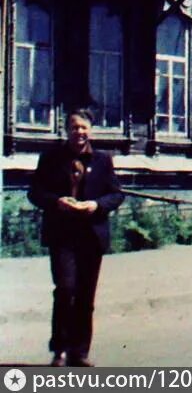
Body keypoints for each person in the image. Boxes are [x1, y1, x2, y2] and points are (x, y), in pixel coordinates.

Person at [29, 110, 124, 366]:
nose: (79, 132)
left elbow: (116, 194)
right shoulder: (51, 158)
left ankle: (79, 352)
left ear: (90, 130)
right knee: (65, 290)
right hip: (62, 235)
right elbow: (35, 193)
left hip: (91, 235)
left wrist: (95, 205)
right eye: (74, 127)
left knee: (85, 295)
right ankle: (59, 349)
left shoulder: (103, 161)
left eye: (83, 127)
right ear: (66, 129)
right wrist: (56, 201)